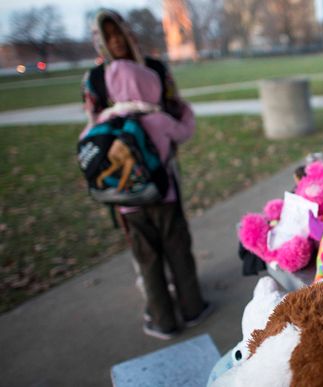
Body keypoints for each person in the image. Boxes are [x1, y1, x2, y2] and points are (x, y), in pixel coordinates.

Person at [80, 10, 211, 340]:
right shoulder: (156, 111)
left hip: (125, 196)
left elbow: (89, 141)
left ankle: (162, 318)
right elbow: (183, 125)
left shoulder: (102, 117)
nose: (116, 41)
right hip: (162, 187)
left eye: (119, 33)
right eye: (108, 36)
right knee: (177, 244)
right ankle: (193, 306)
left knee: (147, 256)